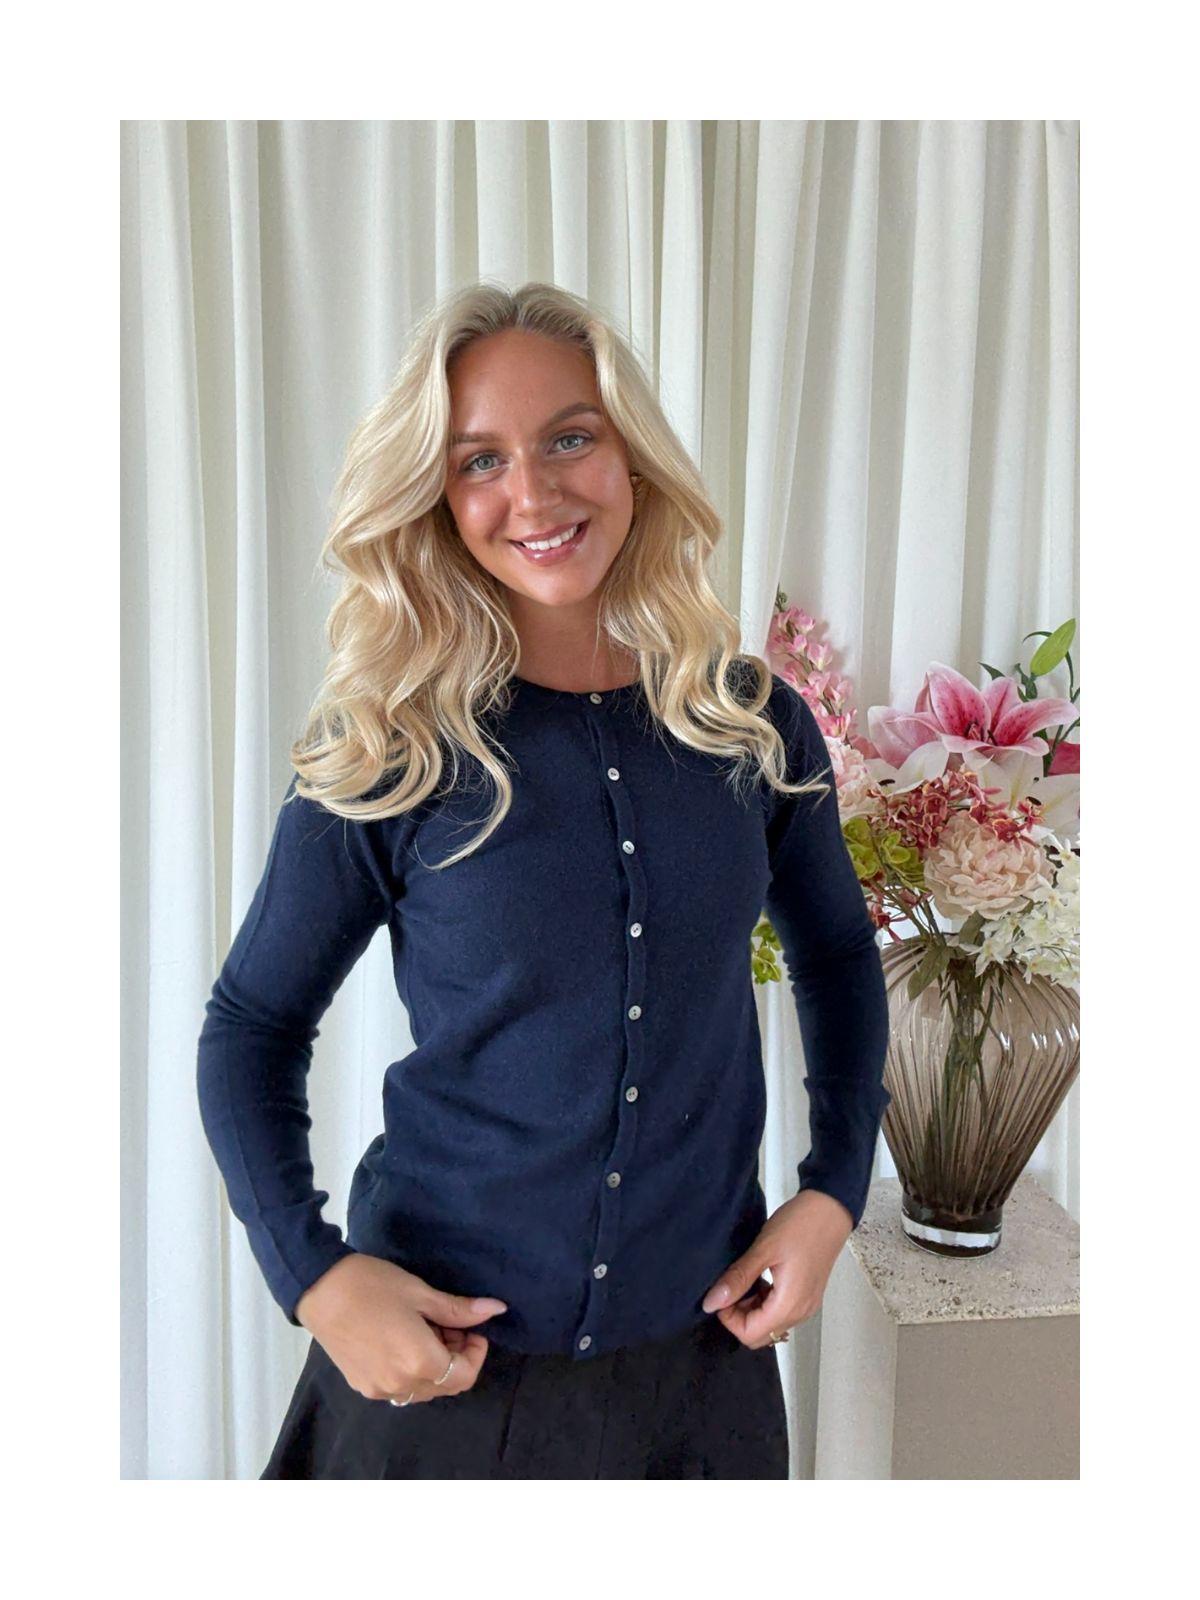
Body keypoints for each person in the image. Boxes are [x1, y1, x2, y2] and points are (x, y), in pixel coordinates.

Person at [196, 280, 891, 1480]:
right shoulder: (395, 745)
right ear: (436, 495)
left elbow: (834, 956)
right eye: (480, 459)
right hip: (442, 1381)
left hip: (701, 1385)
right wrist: (314, 1277)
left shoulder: (751, 724)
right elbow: (249, 1025)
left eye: (570, 437)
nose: (533, 492)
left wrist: (834, 1191)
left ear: (632, 456)